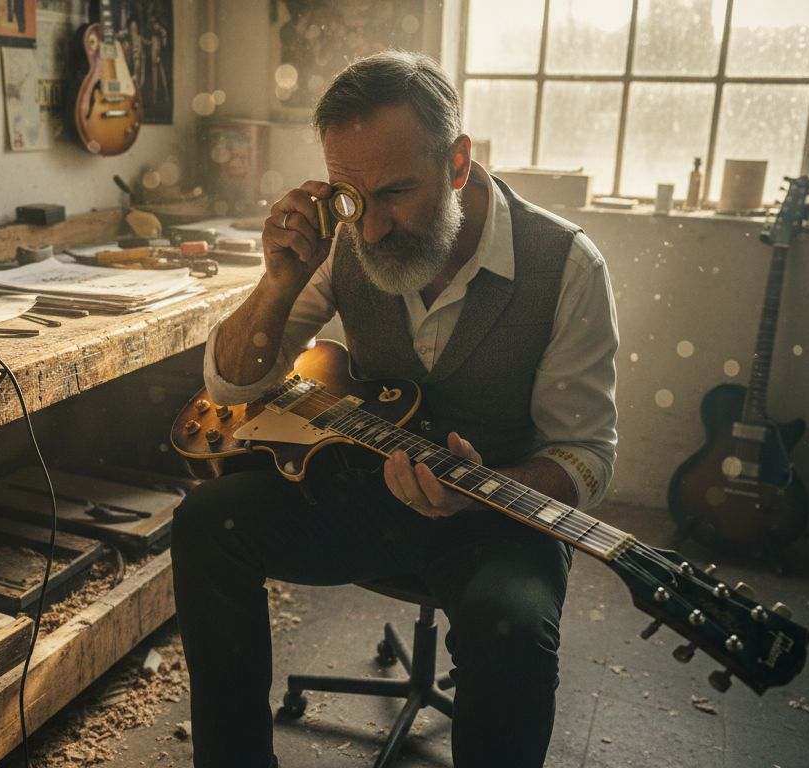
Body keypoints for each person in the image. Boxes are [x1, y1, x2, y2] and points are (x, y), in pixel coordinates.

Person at [171, 51, 618, 768]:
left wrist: (478, 494)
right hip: (365, 493)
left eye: (397, 193)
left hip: (495, 520)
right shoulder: (341, 238)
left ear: (460, 163)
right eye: (352, 198)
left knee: (511, 623)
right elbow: (229, 390)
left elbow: (587, 458)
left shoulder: (565, 267)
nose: (373, 228)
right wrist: (280, 279)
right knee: (204, 522)